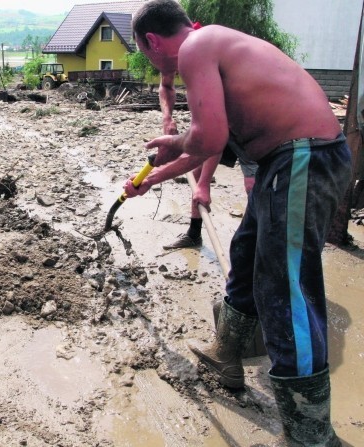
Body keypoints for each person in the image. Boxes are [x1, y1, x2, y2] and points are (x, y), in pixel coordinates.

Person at [125, 1, 352, 445]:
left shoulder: (196, 47)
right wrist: (151, 179)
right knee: (246, 255)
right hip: (286, 162)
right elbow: (212, 141)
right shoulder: (214, 47)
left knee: (286, 290)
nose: (154, 66)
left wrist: (173, 141)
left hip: (304, 157)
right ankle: (225, 353)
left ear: (152, 41)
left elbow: (205, 138)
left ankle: (311, 434)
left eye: (147, 56)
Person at [162, 141, 258, 249]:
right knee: (197, 175)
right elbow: (211, 141)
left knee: (253, 185)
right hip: (225, 134)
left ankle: (258, 242)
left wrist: (205, 183)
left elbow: (216, 143)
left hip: (250, 134)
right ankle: (194, 235)